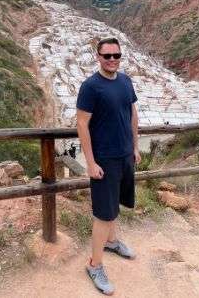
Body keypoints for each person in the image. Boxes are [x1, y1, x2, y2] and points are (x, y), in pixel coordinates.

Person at [76, 37, 140, 296]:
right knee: (103, 214)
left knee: (114, 206)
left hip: (125, 155)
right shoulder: (90, 87)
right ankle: (95, 265)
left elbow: (132, 113)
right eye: (107, 56)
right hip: (104, 160)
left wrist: (134, 147)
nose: (112, 60)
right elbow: (81, 124)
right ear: (98, 57)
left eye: (116, 55)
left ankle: (112, 242)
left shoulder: (125, 81)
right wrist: (90, 162)